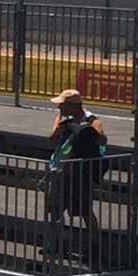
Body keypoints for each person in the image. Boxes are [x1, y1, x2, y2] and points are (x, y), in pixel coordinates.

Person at [46, 88, 108, 264]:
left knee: (85, 211)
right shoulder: (62, 119)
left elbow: (102, 139)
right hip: (60, 169)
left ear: (73, 106)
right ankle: (57, 245)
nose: (59, 108)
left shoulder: (92, 120)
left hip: (80, 172)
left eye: (62, 105)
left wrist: (81, 131)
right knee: (55, 209)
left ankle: (95, 248)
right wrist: (60, 128)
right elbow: (51, 140)